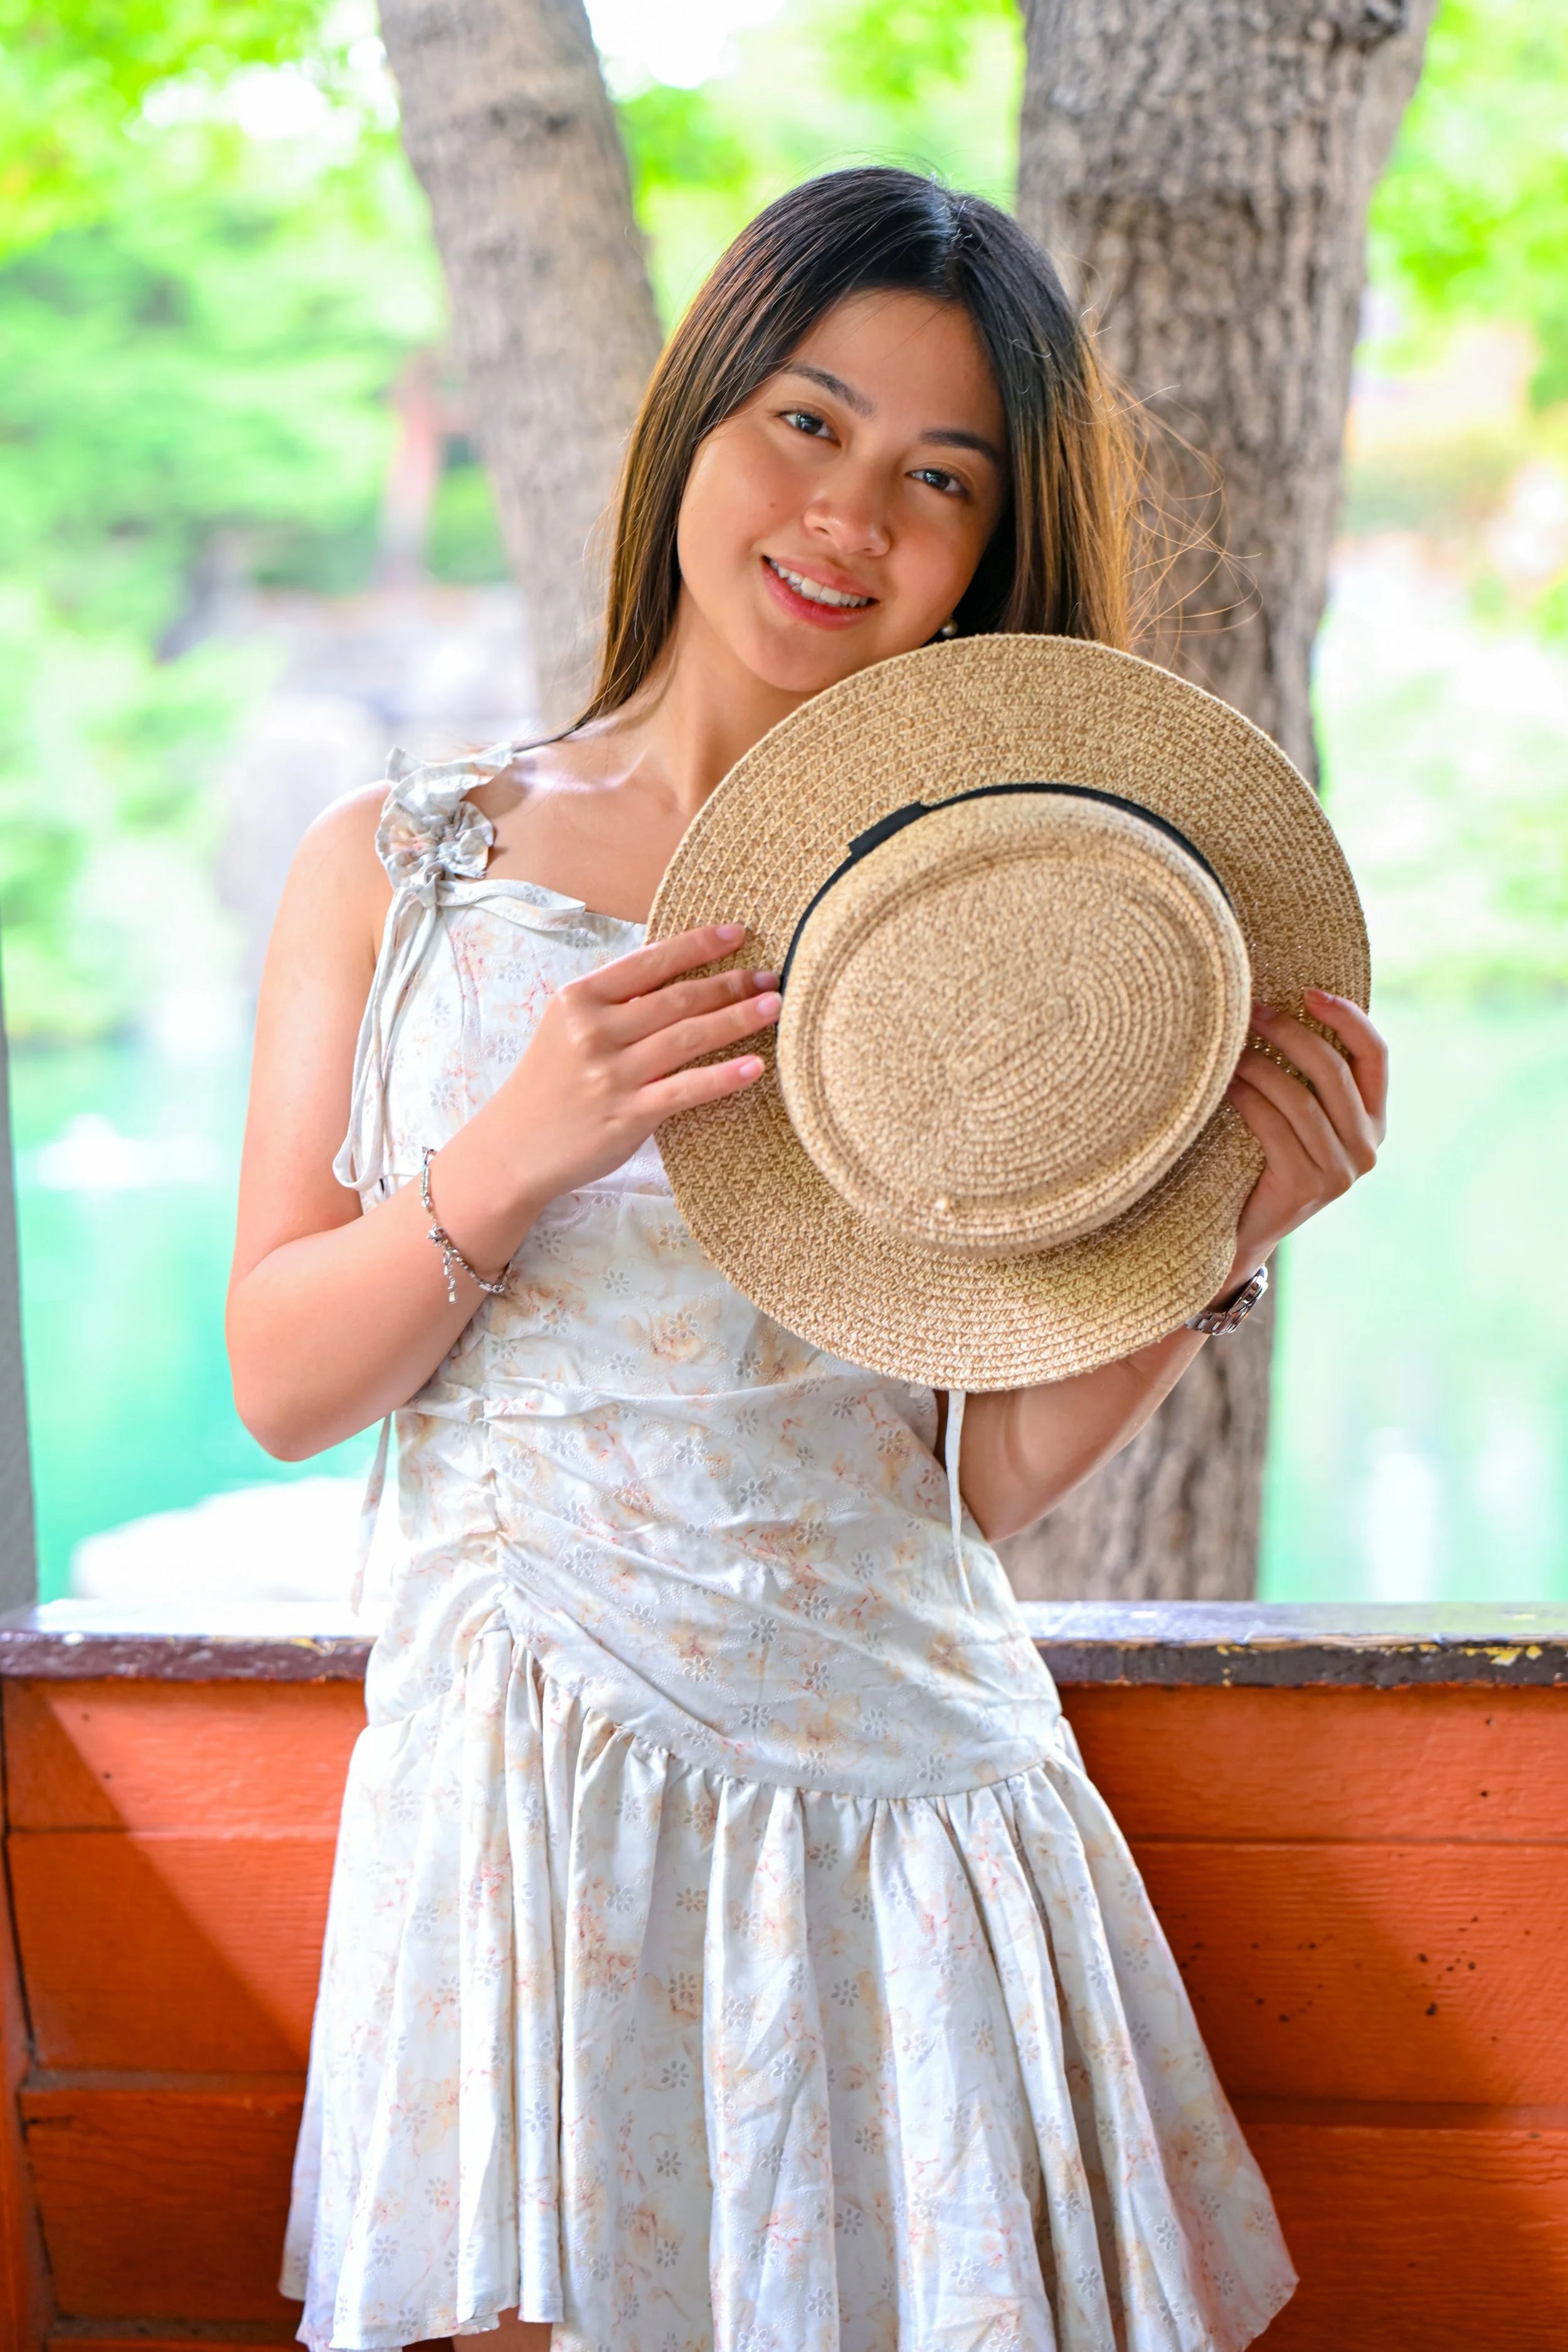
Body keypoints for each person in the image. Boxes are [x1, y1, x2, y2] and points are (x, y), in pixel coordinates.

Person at [229, 167, 1385, 2352]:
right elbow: (285, 1379)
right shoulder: (406, 865)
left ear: (984, 559)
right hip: (536, 1788)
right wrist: (515, 1150)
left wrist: (1218, 1234)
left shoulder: (977, 937)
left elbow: (961, 1477)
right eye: (808, 421)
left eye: (938, 479)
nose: (850, 514)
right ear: (695, 420)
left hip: (911, 1802)